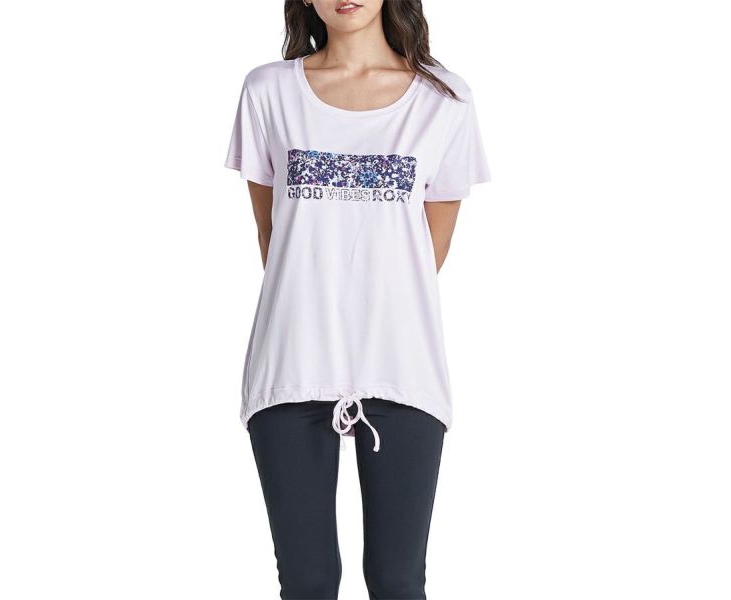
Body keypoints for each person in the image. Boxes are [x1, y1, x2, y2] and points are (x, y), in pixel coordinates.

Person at [225, 1, 491, 597]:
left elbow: (429, 251)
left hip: (402, 365)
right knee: (308, 580)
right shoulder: (268, 91)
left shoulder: (444, 99)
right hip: (292, 360)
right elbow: (274, 238)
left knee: (397, 581)